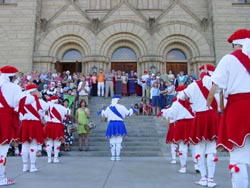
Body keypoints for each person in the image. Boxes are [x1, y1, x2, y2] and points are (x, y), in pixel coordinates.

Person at [208, 28, 250, 188]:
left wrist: (216, 104)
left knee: (239, 157)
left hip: (238, 109)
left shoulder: (229, 59)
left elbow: (216, 87)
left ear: (235, 44)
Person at [179, 64, 220, 187]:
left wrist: (192, 103)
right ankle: (211, 179)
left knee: (200, 149)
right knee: (212, 148)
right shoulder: (217, 83)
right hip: (213, 117)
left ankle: (203, 178)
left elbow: (181, 96)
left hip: (200, 117)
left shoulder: (193, 85)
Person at [0, 66, 34, 186]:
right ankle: (1, 177)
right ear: (12, 77)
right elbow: (23, 101)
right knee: (2, 149)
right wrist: (31, 95)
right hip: (5, 118)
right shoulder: (14, 87)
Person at [18, 83, 48, 172]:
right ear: (33, 92)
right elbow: (46, 108)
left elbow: (18, 112)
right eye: (37, 90)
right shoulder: (39, 101)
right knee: (33, 145)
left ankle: (25, 166)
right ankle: (32, 166)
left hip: (25, 124)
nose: (39, 92)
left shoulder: (22, 100)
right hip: (35, 124)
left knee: (25, 145)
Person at [101, 95, 135, 161]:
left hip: (111, 124)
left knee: (112, 141)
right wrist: (131, 108)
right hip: (120, 124)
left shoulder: (109, 107)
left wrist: (102, 109)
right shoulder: (122, 107)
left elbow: (104, 115)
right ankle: (118, 156)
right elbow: (129, 114)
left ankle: (113, 156)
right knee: (119, 141)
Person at [44, 96, 68, 163]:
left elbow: (43, 115)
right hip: (58, 125)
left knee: (49, 142)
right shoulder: (61, 107)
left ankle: (49, 158)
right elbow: (68, 113)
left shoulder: (47, 106)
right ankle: (55, 158)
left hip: (49, 125)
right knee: (57, 142)